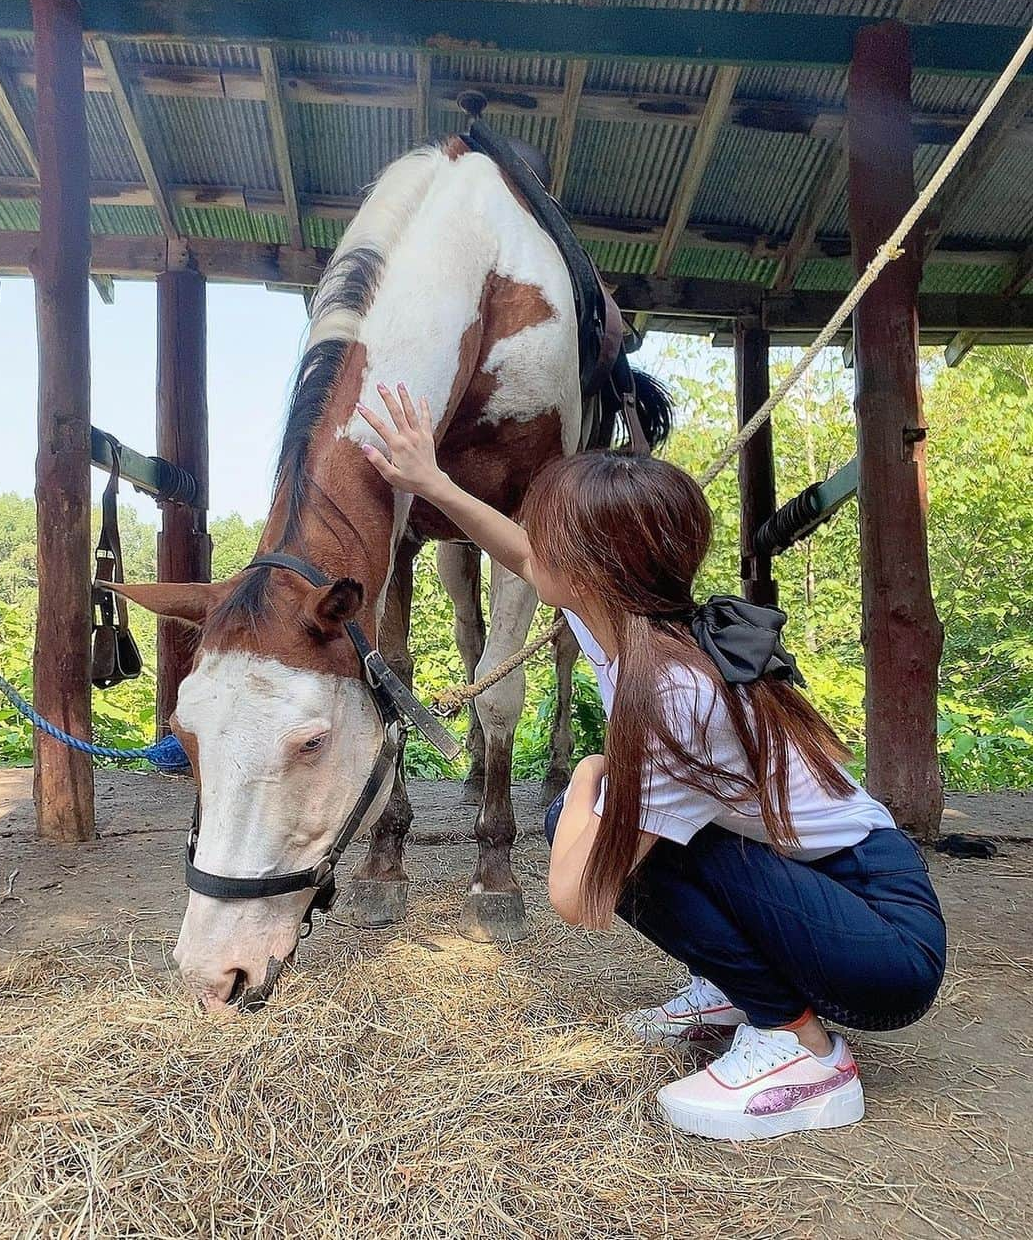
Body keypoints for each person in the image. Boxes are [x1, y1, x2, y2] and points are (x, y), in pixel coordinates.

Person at [356, 383, 947, 1143]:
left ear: (593, 570)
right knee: (605, 824)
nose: (533, 550)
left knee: (616, 842)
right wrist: (431, 484)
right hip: (830, 889)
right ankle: (736, 986)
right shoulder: (627, 624)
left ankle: (799, 1046)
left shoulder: (672, 692)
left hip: (884, 943)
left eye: (551, 539)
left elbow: (578, 897)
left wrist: (588, 775)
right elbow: (520, 552)